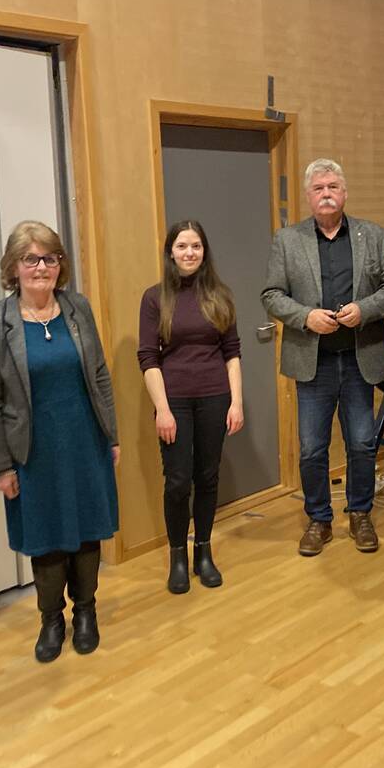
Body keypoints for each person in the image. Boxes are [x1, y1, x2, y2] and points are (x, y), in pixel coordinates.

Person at [0, 221, 119, 664]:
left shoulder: (77, 308)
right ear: (13, 268)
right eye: (30, 259)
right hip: (31, 450)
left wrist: (110, 435)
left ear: (61, 264)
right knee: (46, 537)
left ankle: (86, 613)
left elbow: (98, 374)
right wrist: (1, 465)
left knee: (88, 529)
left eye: (50, 258)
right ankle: (51, 619)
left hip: (84, 439)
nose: (41, 267)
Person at [261, 158, 384, 556]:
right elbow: (271, 295)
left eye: (333, 187)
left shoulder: (373, 236)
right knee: (311, 447)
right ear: (309, 196)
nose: (326, 194)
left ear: (344, 193)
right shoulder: (287, 240)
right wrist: (305, 316)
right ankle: (319, 519)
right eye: (319, 188)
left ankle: (360, 514)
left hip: (361, 359)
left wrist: (365, 310)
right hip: (313, 362)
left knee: (361, 443)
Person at [138, 221, 243, 593]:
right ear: (171, 252)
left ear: (204, 251)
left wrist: (237, 402)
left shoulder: (220, 295)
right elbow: (148, 358)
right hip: (175, 402)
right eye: (182, 246)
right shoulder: (155, 298)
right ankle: (178, 557)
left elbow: (232, 354)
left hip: (215, 397)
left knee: (208, 477)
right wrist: (162, 410)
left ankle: (203, 552)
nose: (189, 253)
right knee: (178, 481)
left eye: (196, 246)